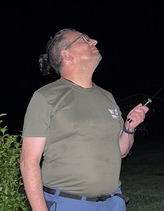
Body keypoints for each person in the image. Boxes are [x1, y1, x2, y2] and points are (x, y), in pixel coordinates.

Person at [20, 28, 149, 211]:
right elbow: (28, 161)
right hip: (69, 203)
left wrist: (129, 128)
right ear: (67, 54)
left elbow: (121, 151)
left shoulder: (107, 96)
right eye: (84, 39)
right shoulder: (46, 97)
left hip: (114, 203)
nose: (94, 41)